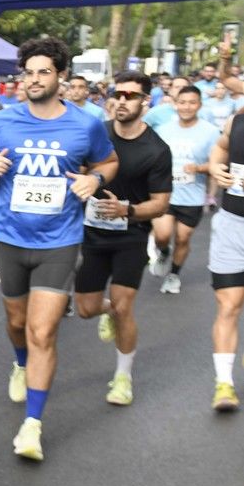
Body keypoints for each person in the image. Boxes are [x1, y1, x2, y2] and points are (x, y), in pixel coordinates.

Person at [0, 36, 118, 461]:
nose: (34, 79)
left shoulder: (85, 124)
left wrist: (95, 180)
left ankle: (32, 425)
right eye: (29, 73)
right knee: (17, 323)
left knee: (43, 331)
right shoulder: (3, 121)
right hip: (11, 240)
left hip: (60, 241)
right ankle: (20, 362)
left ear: (61, 76)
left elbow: (108, 162)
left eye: (43, 72)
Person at [72, 71, 172, 408]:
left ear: (145, 102)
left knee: (124, 305)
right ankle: (107, 310)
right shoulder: (95, 133)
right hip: (92, 235)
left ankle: (123, 377)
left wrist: (126, 210)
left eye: (131, 96)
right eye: (118, 94)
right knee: (85, 309)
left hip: (131, 235)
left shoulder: (157, 149)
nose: (122, 100)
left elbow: (161, 204)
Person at [153, 85, 221, 294]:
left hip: (192, 195)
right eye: (182, 102)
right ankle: (164, 252)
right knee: (162, 235)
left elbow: (217, 164)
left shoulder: (211, 132)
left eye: (192, 103)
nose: (187, 107)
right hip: (164, 193)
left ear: (199, 105)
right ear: (175, 104)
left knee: (183, 238)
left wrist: (199, 168)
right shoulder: (164, 130)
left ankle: (174, 275)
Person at [208, 110, 244, 410]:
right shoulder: (237, 120)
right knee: (229, 305)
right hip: (232, 223)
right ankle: (224, 384)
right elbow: (220, 147)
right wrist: (215, 167)